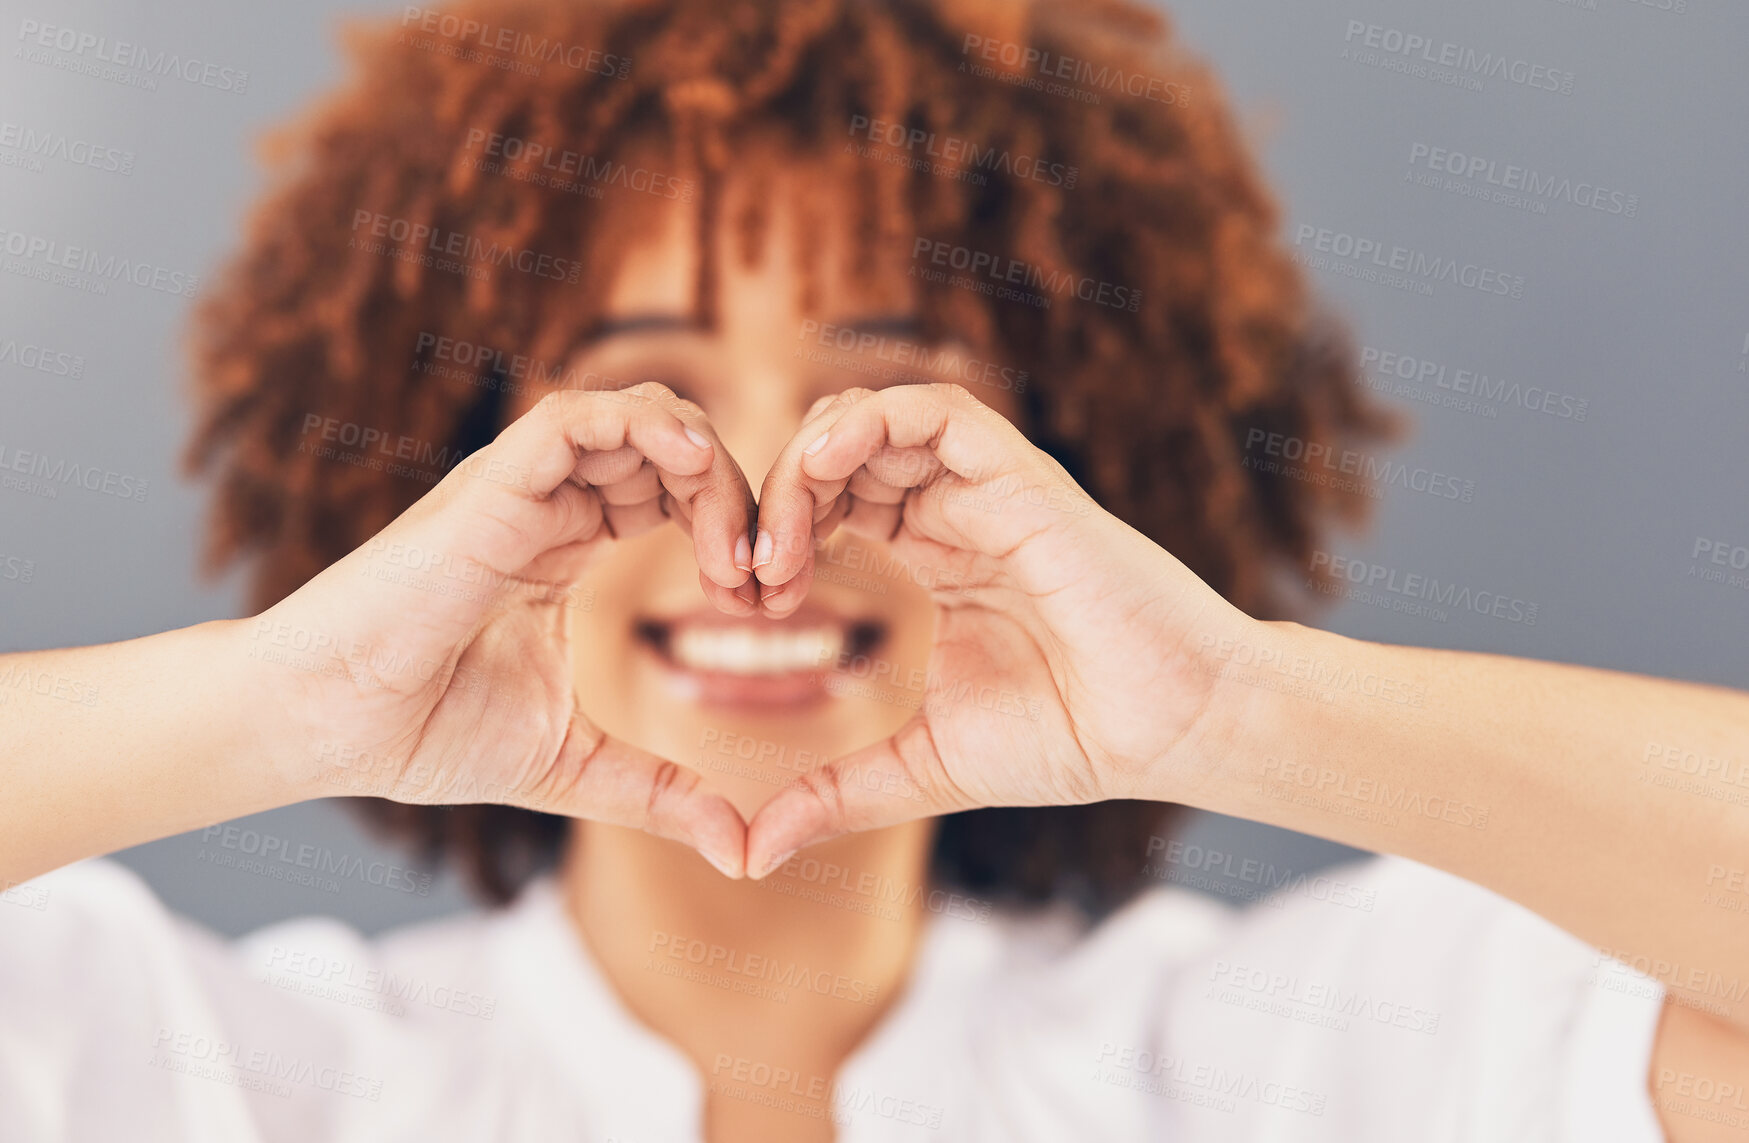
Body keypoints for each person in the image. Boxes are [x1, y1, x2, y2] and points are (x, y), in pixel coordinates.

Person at [2, 0, 1745, 1139]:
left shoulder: (1304, 1055)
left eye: (879, 400)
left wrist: (1231, 698)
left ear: (1070, 479)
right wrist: (283, 698)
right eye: (647, 397)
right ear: (457, 462)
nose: (762, 512)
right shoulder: (204, 1070)